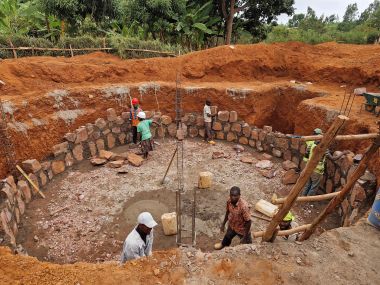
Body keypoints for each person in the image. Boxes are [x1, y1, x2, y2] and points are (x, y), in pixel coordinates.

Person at [302, 128, 347, 196]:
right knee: (314, 186)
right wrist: (343, 153)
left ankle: (302, 197)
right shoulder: (324, 148)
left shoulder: (311, 143)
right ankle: (306, 200)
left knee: (308, 183)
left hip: (309, 167)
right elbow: (333, 158)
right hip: (317, 170)